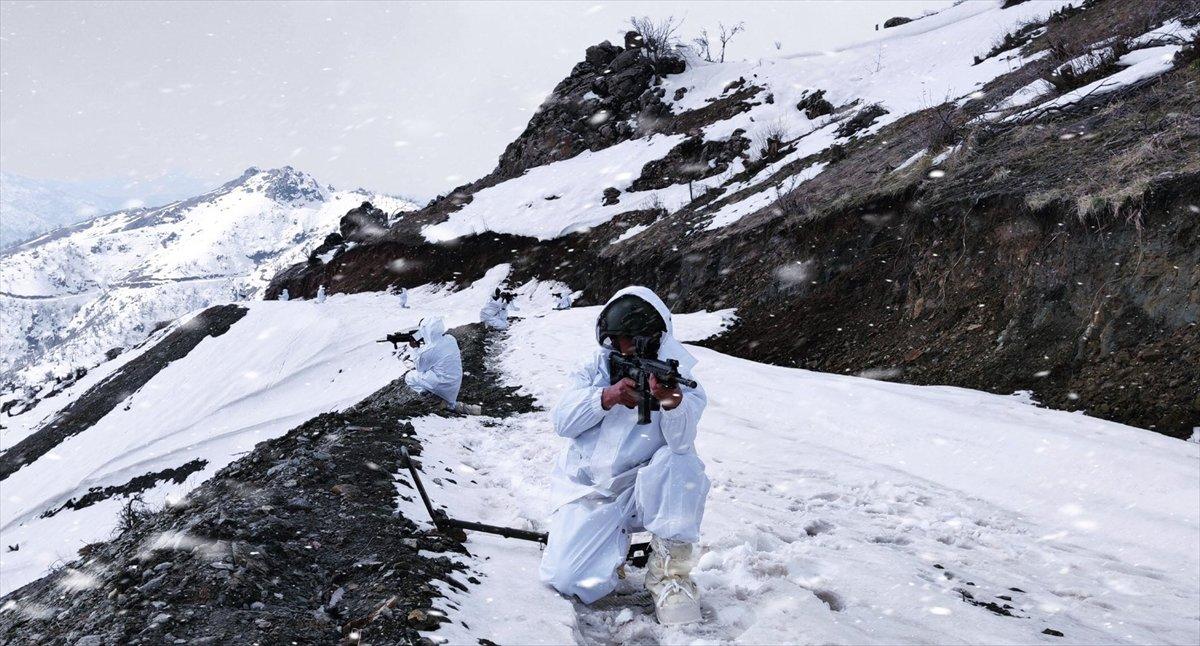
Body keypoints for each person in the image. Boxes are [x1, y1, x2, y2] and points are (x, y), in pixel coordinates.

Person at [539, 287, 709, 625]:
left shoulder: (681, 378)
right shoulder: (594, 368)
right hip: (590, 491)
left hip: (644, 490)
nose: (625, 347)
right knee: (569, 579)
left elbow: (681, 441)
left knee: (681, 463)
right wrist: (607, 396)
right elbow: (562, 422)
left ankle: (671, 576)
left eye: (633, 338)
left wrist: (668, 399)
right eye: (618, 339)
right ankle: (609, 553)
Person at [401, 317, 481, 415]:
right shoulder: (450, 339)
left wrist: (415, 349)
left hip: (442, 386)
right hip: (454, 386)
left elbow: (420, 368)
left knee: (410, 376)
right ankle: (451, 404)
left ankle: (433, 399)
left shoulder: (430, 350)